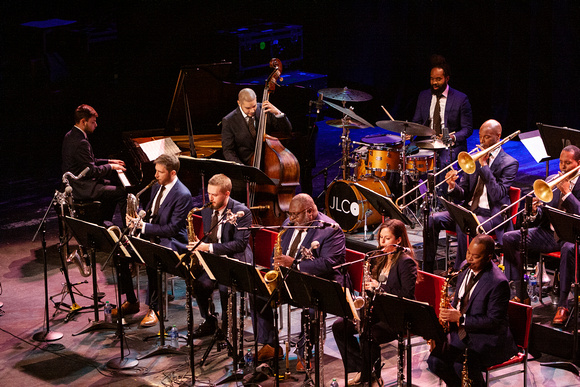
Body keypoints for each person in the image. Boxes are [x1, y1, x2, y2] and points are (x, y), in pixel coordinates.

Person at [256, 193, 351, 367]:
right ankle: (270, 344)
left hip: (319, 281)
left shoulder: (330, 229)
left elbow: (330, 264)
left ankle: (304, 352)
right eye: (289, 214)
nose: (290, 219)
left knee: (313, 308)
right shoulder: (288, 224)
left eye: (295, 215)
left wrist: (295, 264)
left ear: (309, 212)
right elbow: (277, 252)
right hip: (289, 280)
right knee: (257, 293)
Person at [423, 119, 519, 273]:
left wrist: (485, 166)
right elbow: (464, 194)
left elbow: (497, 194)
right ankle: (427, 268)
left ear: (498, 136)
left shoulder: (509, 163)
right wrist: (453, 186)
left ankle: (459, 272)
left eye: (487, 137)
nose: (482, 141)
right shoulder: (473, 157)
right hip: (470, 210)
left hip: (492, 216)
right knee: (433, 219)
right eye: (480, 136)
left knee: (465, 224)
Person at [332, 219, 417, 386]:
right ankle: (363, 370)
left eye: (387, 238)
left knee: (368, 334)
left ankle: (374, 376)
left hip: (396, 315)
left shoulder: (405, 262)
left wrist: (378, 287)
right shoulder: (379, 258)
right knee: (339, 326)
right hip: (377, 311)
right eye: (381, 238)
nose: (382, 243)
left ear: (398, 240)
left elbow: (407, 295)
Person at [502, 145, 580, 324]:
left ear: (578, 163)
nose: (563, 167)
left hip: (573, 237)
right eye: (560, 162)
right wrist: (535, 211)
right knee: (511, 238)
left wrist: (567, 192)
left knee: (569, 248)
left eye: (568, 163)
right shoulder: (553, 179)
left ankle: (563, 306)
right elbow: (544, 216)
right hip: (551, 235)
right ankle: (520, 295)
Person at [427, 234, 518, 387]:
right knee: (435, 361)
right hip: (464, 333)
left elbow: (494, 322)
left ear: (488, 257)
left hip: (488, 339)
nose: (469, 259)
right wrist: (450, 309)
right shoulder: (465, 266)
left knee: (460, 365)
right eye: (468, 253)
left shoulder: (498, 283)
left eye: (475, 256)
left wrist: (460, 318)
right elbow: (461, 300)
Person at [120, 153, 193, 327]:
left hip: (173, 241)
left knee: (153, 256)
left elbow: (172, 229)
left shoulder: (183, 194)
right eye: (156, 171)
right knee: (121, 253)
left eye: (160, 172)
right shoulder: (156, 186)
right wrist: (138, 219)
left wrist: (143, 227)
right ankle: (131, 301)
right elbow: (151, 212)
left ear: (172, 173)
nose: (156, 175)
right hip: (152, 234)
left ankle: (155, 308)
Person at [188, 173, 253, 338]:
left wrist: (207, 247)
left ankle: (228, 326)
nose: (210, 198)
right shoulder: (208, 209)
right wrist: (200, 246)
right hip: (215, 259)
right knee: (198, 284)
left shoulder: (241, 212)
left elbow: (239, 245)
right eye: (209, 193)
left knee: (225, 287)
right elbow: (212, 236)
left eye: (214, 195)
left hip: (236, 260)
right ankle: (209, 321)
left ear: (227, 194)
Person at [61, 104, 127, 225]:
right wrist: (111, 167)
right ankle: (129, 231)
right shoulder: (81, 142)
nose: (96, 125)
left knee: (114, 186)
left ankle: (105, 223)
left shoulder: (70, 135)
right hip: (82, 188)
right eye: (93, 122)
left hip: (78, 184)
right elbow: (91, 170)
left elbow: (87, 161)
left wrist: (109, 161)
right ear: (83, 121)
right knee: (123, 193)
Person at [412, 54, 473, 170]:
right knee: (404, 157)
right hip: (426, 141)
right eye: (432, 79)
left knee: (441, 164)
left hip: (449, 145)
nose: (434, 82)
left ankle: (441, 188)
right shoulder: (423, 96)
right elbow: (416, 122)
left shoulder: (461, 99)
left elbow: (467, 129)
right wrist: (410, 133)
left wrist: (453, 137)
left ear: (447, 78)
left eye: (438, 79)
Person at [221, 87, 292, 165]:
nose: (252, 111)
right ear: (239, 103)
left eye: (254, 106)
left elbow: (287, 130)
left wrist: (277, 113)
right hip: (246, 165)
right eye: (248, 108)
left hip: (269, 162)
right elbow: (228, 151)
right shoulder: (229, 121)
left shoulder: (265, 110)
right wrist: (241, 168)